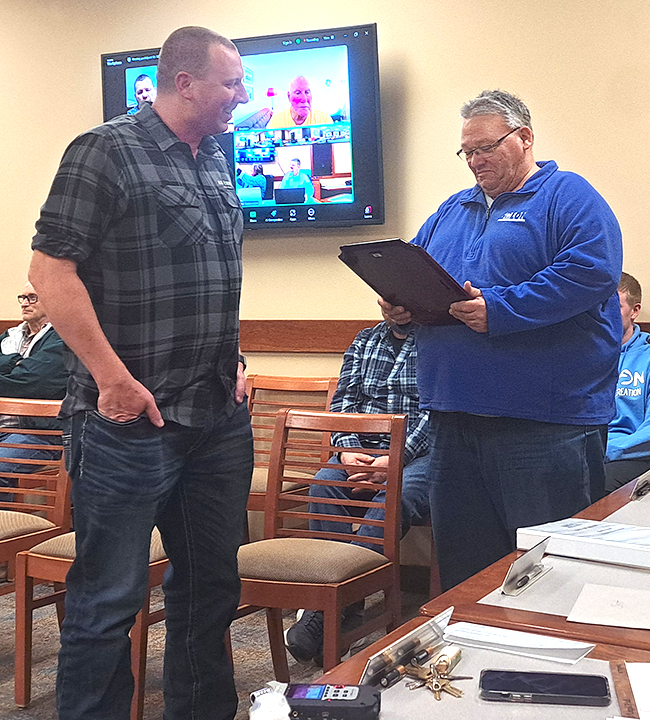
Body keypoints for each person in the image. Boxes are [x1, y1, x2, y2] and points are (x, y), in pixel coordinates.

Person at [30, 26, 252, 720]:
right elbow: (49, 271)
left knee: (211, 589)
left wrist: (234, 358)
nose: (241, 97)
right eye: (231, 83)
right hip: (131, 425)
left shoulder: (218, 155)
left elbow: (211, 272)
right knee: (108, 600)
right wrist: (111, 378)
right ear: (184, 83)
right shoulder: (105, 152)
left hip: (216, 420)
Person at [381, 89, 622, 592]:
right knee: (466, 571)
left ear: (525, 137)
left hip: (543, 425)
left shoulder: (569, 197)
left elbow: (590, 273)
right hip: (454, 419)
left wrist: (502, 309)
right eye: (466, 151)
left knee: (549, 571)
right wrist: (399, 308)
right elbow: (418, 271)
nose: (474, 160)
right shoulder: (452, 210)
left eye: (485, 148)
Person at [284, 320, 430, 664]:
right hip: (360, 450)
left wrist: (394, 460)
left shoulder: (438, 340)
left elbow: (436, 411)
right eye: (384, 298)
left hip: (418, 455)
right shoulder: (365, 339)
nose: (391, 305)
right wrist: (347, 451)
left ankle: (335, 604)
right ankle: (344, 608)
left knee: (395, 497)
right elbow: (344, 400)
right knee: (323, 485)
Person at [0, 282, 67, 486]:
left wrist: (11, 367)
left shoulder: (64, 337)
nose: (24, 303)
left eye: (32, 298)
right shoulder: (10, 337)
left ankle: (8, 518)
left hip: (39, 433)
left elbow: (29, 382)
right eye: (23, 298)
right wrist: (14, 362)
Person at [604, 272, 650, 491]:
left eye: (615, 307)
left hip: (631, 454)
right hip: (579, 451)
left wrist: (605, 451)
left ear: (635, 311)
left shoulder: (647, 359)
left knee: (597, 484)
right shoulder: (580, 356)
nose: (604, 315)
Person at [267, 76, 333, 128]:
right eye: (298, 93)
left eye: (307, 92)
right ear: (289, 97)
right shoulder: (276, 121)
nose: (304, 99)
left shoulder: (324, 120)